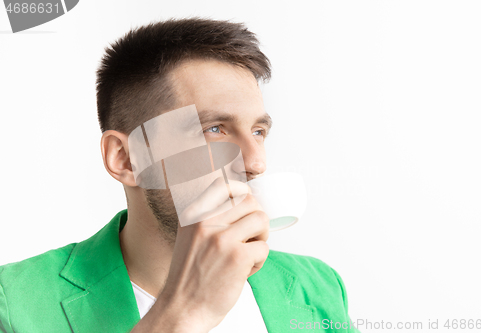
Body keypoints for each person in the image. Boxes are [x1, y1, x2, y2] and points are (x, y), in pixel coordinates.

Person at [0, 18, 359, 333]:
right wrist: (183, 313)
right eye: (214, 129)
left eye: (258, 132)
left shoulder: (318, 285)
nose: (255, 162)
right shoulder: (13, 302)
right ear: (125, 158)